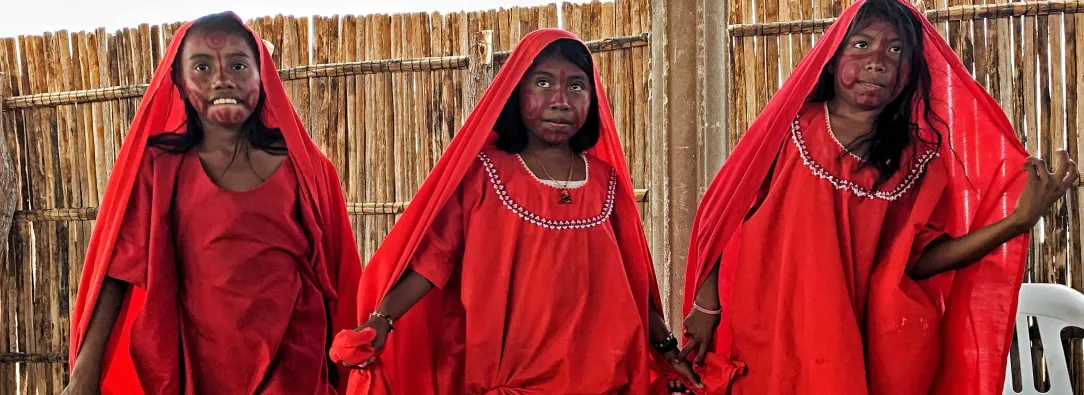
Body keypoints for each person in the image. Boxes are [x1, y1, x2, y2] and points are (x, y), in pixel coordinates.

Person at [675, 0, 1078, 394]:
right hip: (772, 328)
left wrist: (1015, 223)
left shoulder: (919, 159)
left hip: (862, 344)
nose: (877, 60)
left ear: (911, 71)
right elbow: (726, 210)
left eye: (896, 49)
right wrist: (707, 303)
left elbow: (918, 260)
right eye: (862, 44)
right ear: (832, 58)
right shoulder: (791, 127)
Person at [328, 29, 700, 394]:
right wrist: (382, 320)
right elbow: (433, 259)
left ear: (593, 99)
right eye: (542, 83)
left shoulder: (606, 182)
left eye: (576, 86)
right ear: (516, 94)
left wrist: (666, 349)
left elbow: (633, 282)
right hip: (512, 381)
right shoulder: (483, 174)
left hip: (605, 380)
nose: (561, 100)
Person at [61, 12, 362, 395]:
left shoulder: (306, 168)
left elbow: (335, 273)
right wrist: (84, 376)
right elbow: (120, 268)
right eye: (202, 66)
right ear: (180, 83)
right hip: (195, 359)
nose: (222, 78)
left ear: (262, 75)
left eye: (238, 64)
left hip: (293, 362)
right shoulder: (159, 169)